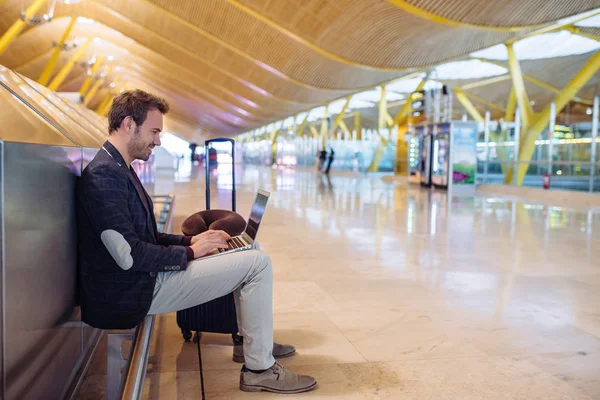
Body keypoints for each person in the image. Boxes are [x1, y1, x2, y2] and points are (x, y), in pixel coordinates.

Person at [76, 89, 317, 394]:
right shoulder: (103, 176)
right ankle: (259, 369)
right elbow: (128, 256)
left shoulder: (118, 169)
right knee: (257, 264)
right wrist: (190, 252)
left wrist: (193, 239)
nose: (158, 141)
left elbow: (145, 237)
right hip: (131, 291)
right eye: (154, 131)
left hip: (142, 280)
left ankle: (249, 344)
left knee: (248, 248)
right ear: (128, 124)